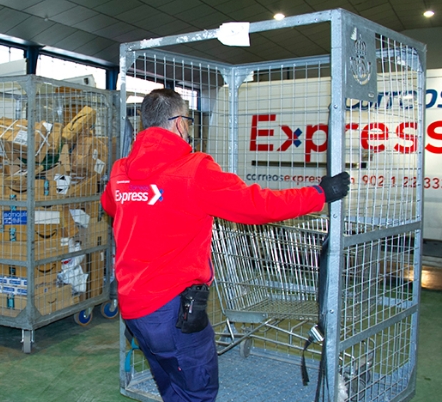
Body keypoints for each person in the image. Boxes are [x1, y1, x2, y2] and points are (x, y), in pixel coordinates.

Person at [100, 89, 350, 401]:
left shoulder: (120, 171)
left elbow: (112, 206)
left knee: (171, 384)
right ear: (178, 124)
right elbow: (257, 205)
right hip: (173, 312)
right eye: (189, 121)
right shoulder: (193, 170)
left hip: (135, 309)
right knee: (197, 392)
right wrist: (318, 193)